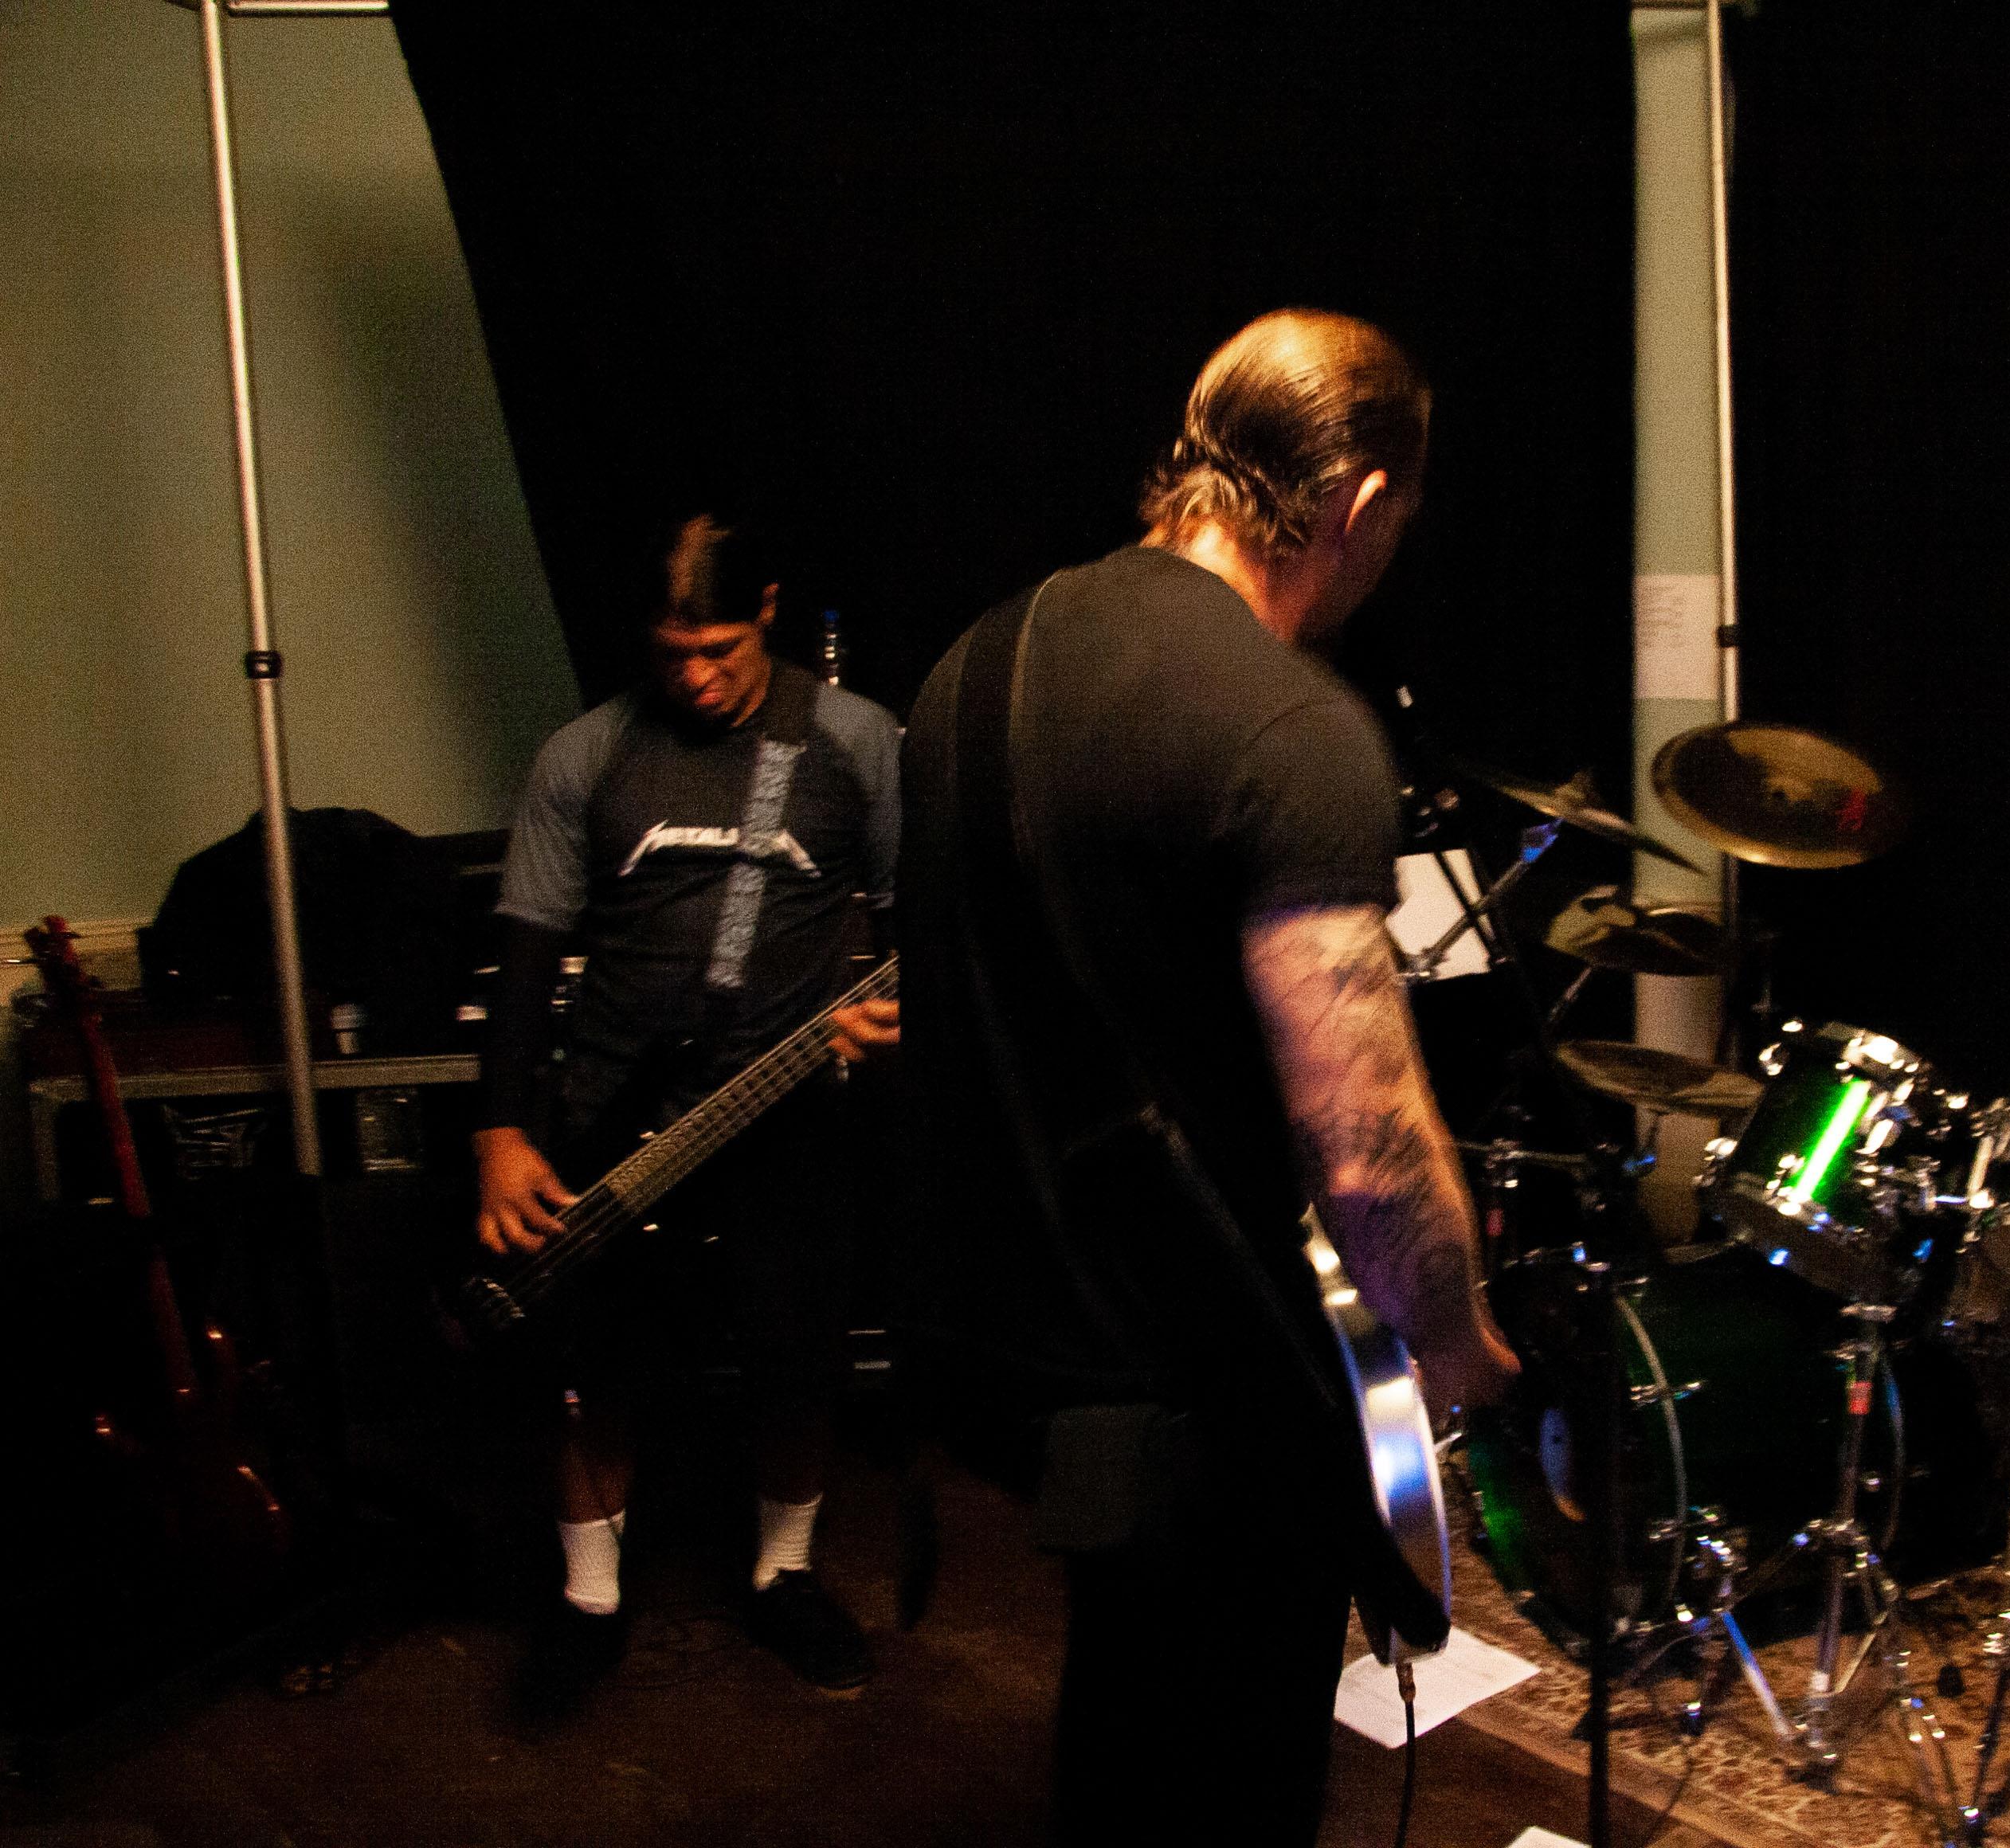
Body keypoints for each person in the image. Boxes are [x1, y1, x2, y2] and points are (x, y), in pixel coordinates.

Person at [895, 309, 1518, 1844]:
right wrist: (1457, 1344)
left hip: (1010, 1345)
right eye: (1398, 526)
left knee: (1120, 1732)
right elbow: (1366, 1146)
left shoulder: (969, 668)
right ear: (1358, 503)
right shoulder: (1293, 727)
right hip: (1205, 1395)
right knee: (1229, 1773)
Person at [475, 511, 904, 1718]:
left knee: (797, 1360)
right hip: (611, 1113)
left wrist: (888, 1020)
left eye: (719, 649)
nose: (697, 678)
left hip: (789, 1110)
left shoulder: (857, 742)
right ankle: (588, 1600)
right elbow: (525, 961)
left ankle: (784, 1575)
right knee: (590, 1368)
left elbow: (920, 928)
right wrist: (500, 1134)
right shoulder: (586, 755)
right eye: (673, 654)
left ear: (767, 608)